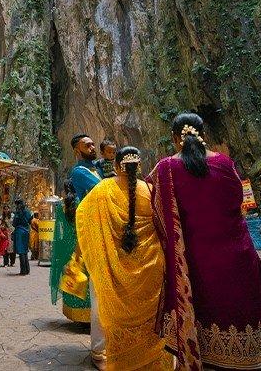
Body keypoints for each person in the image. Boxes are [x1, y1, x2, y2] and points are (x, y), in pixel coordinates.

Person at [148, 113, 261, 370]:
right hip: (239, 257)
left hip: (197, 263)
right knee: (242, 313)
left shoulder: (166, 169)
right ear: (204, 135)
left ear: (175, 138)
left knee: (207, 319)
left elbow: (158, 216)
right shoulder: (226, 163)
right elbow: (237, 206)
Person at [62, 147, 172, 370]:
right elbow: (165, 230)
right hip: (147, 265)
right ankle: (148, 354)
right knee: (147, 312)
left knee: (101, 305)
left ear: (115, 166)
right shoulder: (151, 191)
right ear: (139, 166)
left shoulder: (102, 190)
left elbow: (84, 222)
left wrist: (78, 255)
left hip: (108, 262)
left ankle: (100, 352)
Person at [50, 134, 103, 360]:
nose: (92, 147)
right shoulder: (80, 172)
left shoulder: (97, 169)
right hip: (89, 229)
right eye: (87, 145)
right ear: (77, 151)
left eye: (93, 144)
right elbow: (103, 189)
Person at [12, 198, 31, 275]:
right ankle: (27, 269)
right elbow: (30, 220)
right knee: (25, 251)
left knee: (21, 251)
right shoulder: (27, 211)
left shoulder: (17, 212)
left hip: (19, 232)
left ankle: (23, 270)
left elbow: (14, 223)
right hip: (26, 231)